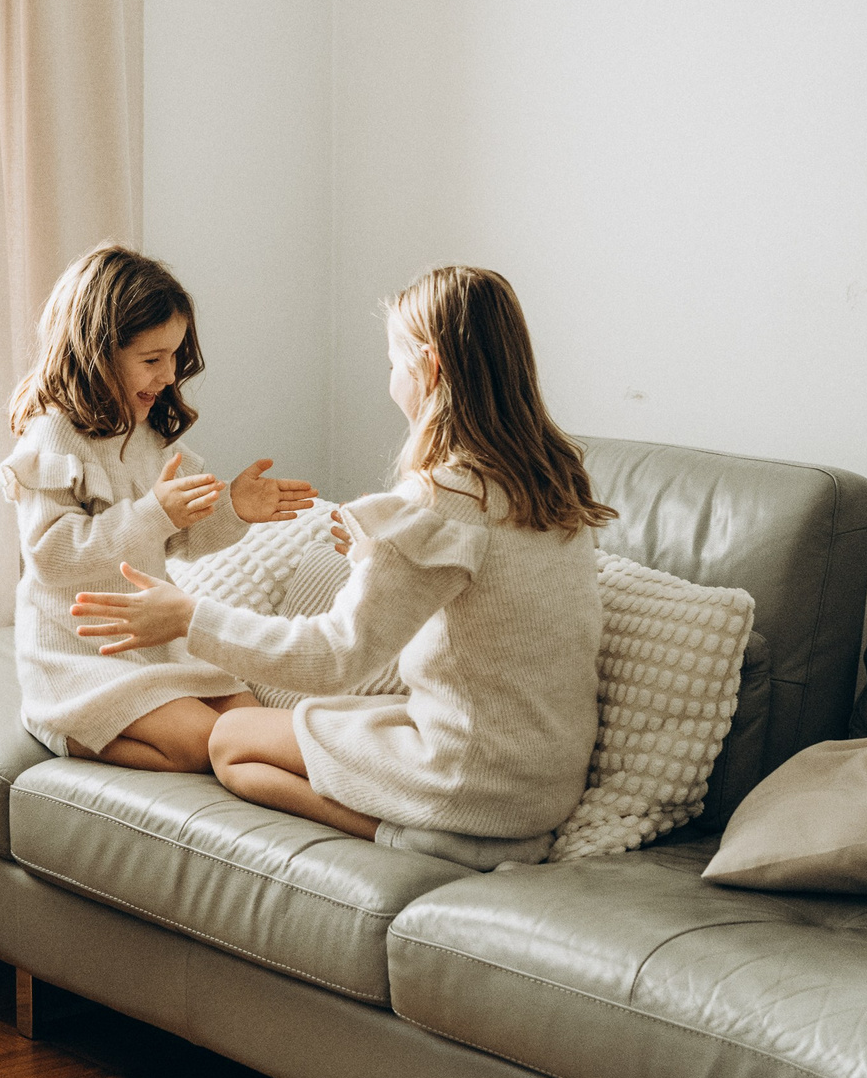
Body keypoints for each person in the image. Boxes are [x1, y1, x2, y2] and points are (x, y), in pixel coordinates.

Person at [69, 266, 610, 855]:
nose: (391, 379)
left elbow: (335, 658)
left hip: (469, 778)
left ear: (428, 368)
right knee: (290, 736)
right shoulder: (552, 481)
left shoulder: (441, 500)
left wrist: (188, 617)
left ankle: (423, 839)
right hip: (545, 784)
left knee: (231, 741)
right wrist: (377, 561)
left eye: (393, 364)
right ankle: (443, 825)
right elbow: (483, 615)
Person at [0, 246, 317, 772]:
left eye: (173, 357)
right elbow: (51, 555)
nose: (168, 375)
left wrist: (232, 508)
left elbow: (181, 538)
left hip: (153, 645)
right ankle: (59, 725)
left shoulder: (148, 435)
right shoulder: (52, 436)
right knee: (199, 744)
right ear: (97, 353)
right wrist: (153, 513)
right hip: (78, 654)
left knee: (253, 724)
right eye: (151, 360)